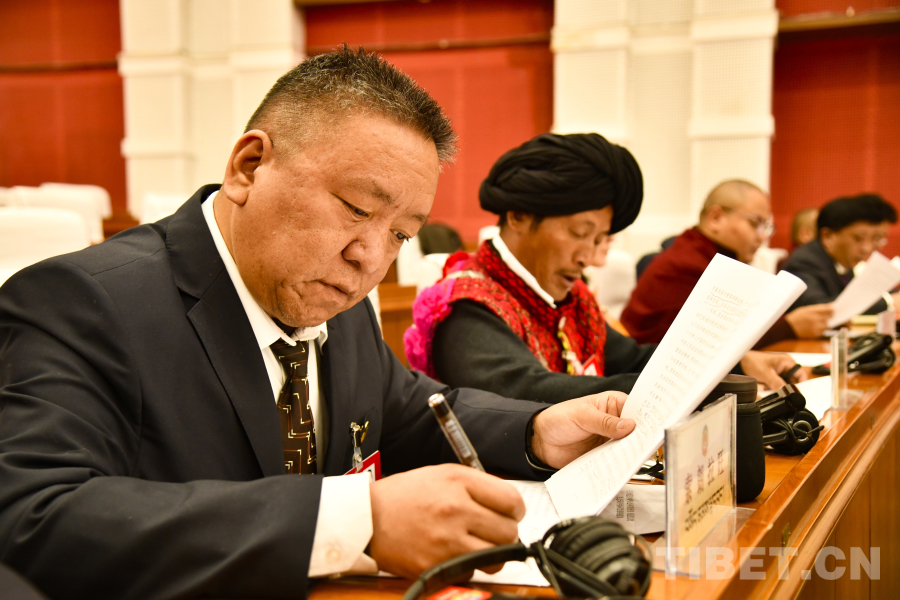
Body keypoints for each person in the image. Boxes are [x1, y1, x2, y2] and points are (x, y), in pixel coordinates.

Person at [0, 47, 638, 600]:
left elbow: (409, 411)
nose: (371, 259)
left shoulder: (339, 303)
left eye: (400, 234)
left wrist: (534, 432)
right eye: (356, 208)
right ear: (250, 166)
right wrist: (354, 521)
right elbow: (35, 516)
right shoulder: (82, 302)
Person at [404, 137, 800, 402]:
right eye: (581, 233)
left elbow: (632, 358)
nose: (593, 259)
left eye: (599, 240)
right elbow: (530, 391)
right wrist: (695, 384)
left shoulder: (570, 300)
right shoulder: (467, 305)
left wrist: (733, 363)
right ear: (519, 216)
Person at [621, 180, 834, 347]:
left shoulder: (717, 259)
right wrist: (788, 326)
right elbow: (713, 343)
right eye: (755, 223)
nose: (762, 237)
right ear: (715, 218)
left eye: (766, 227)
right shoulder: (686, 265)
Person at [781, 193, 898, 313]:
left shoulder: (841, 262)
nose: (866, 249)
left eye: (875, 239)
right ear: (828, 236)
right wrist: (889, 302)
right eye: (858, 238)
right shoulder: (804, 262)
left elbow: (853, 298)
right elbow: (818, 307)